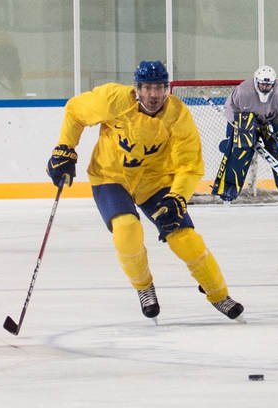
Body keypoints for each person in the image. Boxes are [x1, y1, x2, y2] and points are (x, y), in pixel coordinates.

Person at [48, 60, 245, 321]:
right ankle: (144, 287)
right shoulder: (114, 100)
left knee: (185, 238)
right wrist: (64, 148)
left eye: (159, 88)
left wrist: (177, 197)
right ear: (137, 89)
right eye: (147, 88)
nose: (153, 95)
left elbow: (189, 165)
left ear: (167, 89)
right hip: (111, 176)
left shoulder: (177, 114)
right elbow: (75, 111)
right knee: (126, 231)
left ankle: (219, 295)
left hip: (155, 180)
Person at [216, 65, 278, 201]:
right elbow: (230, 108)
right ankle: (228, 190)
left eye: (268, 85)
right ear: (256, 81)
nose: (265, 87)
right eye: (262, 84)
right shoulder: (243, 91)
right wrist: (235, 131)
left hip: (272, 121)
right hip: (246, 122)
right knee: (239, 150)